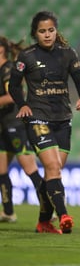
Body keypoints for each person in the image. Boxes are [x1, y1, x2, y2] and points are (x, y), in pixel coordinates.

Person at [9, 11, 80, 234]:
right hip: (37, 117)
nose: (47, 35)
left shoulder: (67, 54)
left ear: (56, 31)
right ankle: (63, 214)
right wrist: (23, 104)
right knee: (53, 167)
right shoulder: (26, 56)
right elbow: (14, 86)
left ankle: (44, 222)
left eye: (51, 30)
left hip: (63, 119)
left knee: (53, 173)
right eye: (42, 31)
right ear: (35, 34)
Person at [0, 36, 47, 224]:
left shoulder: (9, 69)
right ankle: (9, 212)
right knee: (1, 170)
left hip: (15, 124)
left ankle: (49, 209)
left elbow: (13, 96)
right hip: (2, 126)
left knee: (30, 169)